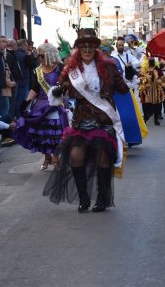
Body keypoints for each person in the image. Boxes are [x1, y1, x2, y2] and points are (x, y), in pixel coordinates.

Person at [43, 28, 129, 213]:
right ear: (78, 49)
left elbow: (122, 89)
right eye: (84, 47)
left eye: (91, 47)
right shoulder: (71, 69)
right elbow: (60, 86)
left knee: (102, 157)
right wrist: (58, 90)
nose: (87, 50)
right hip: (82, 120)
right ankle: (83, 197)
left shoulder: (108, 67)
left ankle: (102, 198)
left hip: (103, 120)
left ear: (96, 49)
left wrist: (126, 76)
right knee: (76, 155)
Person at [14, 43, 68, 170]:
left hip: (56, 104)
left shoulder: (60, 68)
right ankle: (46, 156)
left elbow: (67, 86)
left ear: (50, 54)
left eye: (42, 55)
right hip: (41, 105)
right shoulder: (38, 70)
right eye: (38, 55)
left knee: (54, 134)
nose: (39, 58)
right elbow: (35, 89)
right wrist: (26, 102)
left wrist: (62, 91)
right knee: (42, 133)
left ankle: (56, 158)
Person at [139, 57, 165, 126]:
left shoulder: (157, 68)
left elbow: (162, 77)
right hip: (146, 89)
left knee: (156, 104)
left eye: (152, 60)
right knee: (145, 104)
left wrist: (161, 80)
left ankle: (156, 119)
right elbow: (139, 77)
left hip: (156, 89)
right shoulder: (144, 68)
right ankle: (145, 117)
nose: (151, 62)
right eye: (150, 60)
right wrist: (145, 78)